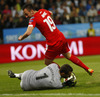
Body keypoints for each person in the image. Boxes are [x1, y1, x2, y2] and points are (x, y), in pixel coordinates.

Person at [18, 4, 94, 75]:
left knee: (47, 62)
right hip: (61, 37)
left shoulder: (33, 19)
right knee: (68, 55)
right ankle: (87, 69)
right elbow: (51, 13)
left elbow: (28, 33)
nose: (26, 16)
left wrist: (22, 37)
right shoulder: (43, 11)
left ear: (31, 11)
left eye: (26, 14)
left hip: (53, 43)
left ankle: (65, 74)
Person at [8, 63, 77, 91]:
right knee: (38, 79)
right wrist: (66, 83)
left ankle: (17, 75)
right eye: (68, 75)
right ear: (62, 73)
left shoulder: (53, 65)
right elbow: (61, 84)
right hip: (25, 86)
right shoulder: (57, 84)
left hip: (26, 74)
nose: (69, 76)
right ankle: (17, 75)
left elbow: (57, 72)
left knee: (35, 73)